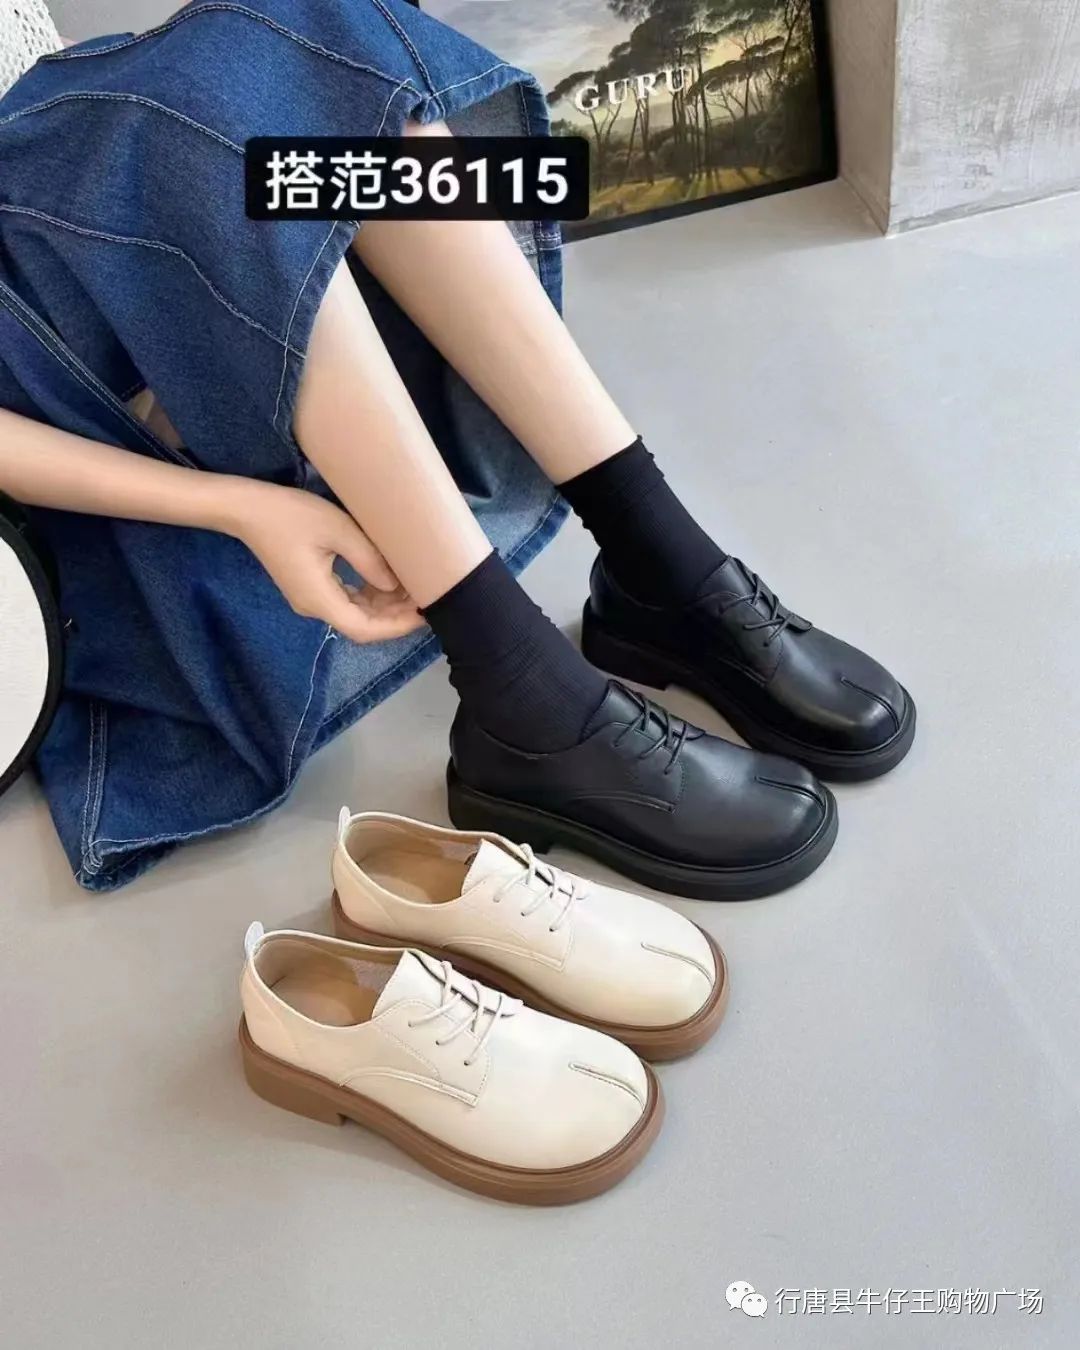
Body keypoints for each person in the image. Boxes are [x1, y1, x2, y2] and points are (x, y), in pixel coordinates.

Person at [0, 0, 914, 893]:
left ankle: (657, 559)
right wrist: (238, 507)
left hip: (58, 170)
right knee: (171, 134)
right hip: (48, 363)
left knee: (288, 28)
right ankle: (522, 694)